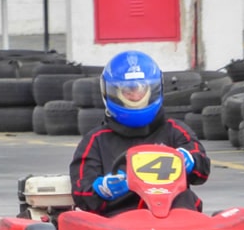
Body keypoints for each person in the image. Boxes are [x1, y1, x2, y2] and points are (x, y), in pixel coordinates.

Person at [69, 50, 210, 216]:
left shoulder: (174, 131)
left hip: (173, 215)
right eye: (128, 91)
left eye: (141, 89)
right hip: (120, 221)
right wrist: (102, 189)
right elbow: (81, 192)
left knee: (189, 201)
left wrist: (190, 160)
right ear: (112, 93)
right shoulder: (96, 141)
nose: (135, 96)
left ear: (154, 89)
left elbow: (201, 172)